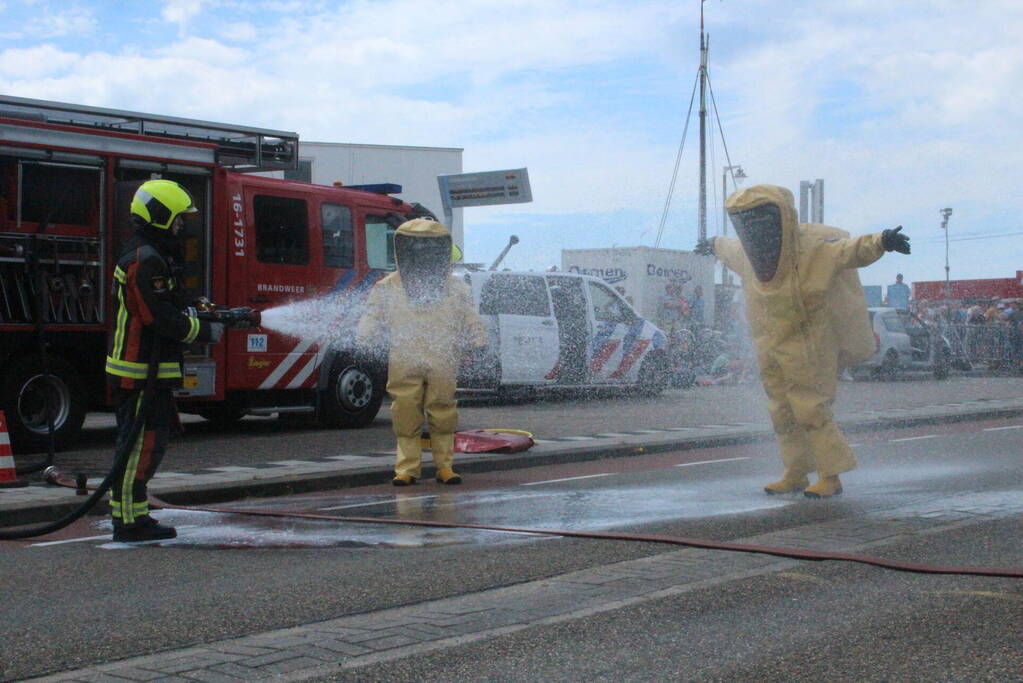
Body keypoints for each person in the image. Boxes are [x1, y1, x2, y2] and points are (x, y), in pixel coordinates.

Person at [696, 184, 910, 498]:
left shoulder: (813, 249)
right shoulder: (746, 254)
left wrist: (882, 241)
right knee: (781, 413)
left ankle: (830, 475)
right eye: (748, 223)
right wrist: (712, 244)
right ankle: (796, 472)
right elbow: (727, 248)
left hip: (809, 346)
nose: (756, 231)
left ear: (782, 218)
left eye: (762, 221)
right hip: (770, 346)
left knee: (812, 410)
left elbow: (849, 251)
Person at [105, 180, 223, 542]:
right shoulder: (145, 260)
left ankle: (135, 514)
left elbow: (172, 303)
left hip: (149, 370)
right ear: (160, 215)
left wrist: (206, 310)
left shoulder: (152, 255)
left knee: (148, 445)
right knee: (139, 447)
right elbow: (159, 317)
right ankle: (128, 522)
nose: (181, 226)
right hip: (139, 370)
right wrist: (204, 331)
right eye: (177, 219)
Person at [356, 218, 485, 486]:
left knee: (443, 412)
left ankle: (444, 467)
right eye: (417, 247)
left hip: (442, 359)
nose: (423, 254)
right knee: (405, 413)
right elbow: (372, 315)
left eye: (429, 247)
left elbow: (469, 317)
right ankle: (406, 469)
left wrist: (478, 341)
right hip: (405, 359)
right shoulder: (387, 286)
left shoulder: (456, 288)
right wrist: (365, 338)